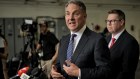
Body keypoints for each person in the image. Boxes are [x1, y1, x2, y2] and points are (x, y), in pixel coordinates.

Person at [51, 0, 111, 79]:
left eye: (76, 14)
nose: (71, 18)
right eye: (68, 14)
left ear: (85, 16)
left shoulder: (97, 40)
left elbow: (105, 71)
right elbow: (60, 63)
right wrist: (55, 70)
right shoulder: (63, 40)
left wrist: (79, 72)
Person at [105, 9, 139, 79]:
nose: (109, 23)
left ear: (121, 22)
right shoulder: (106, 39)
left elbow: (127, 72)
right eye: (107, 21)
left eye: (113, 21)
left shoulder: (130, 42)